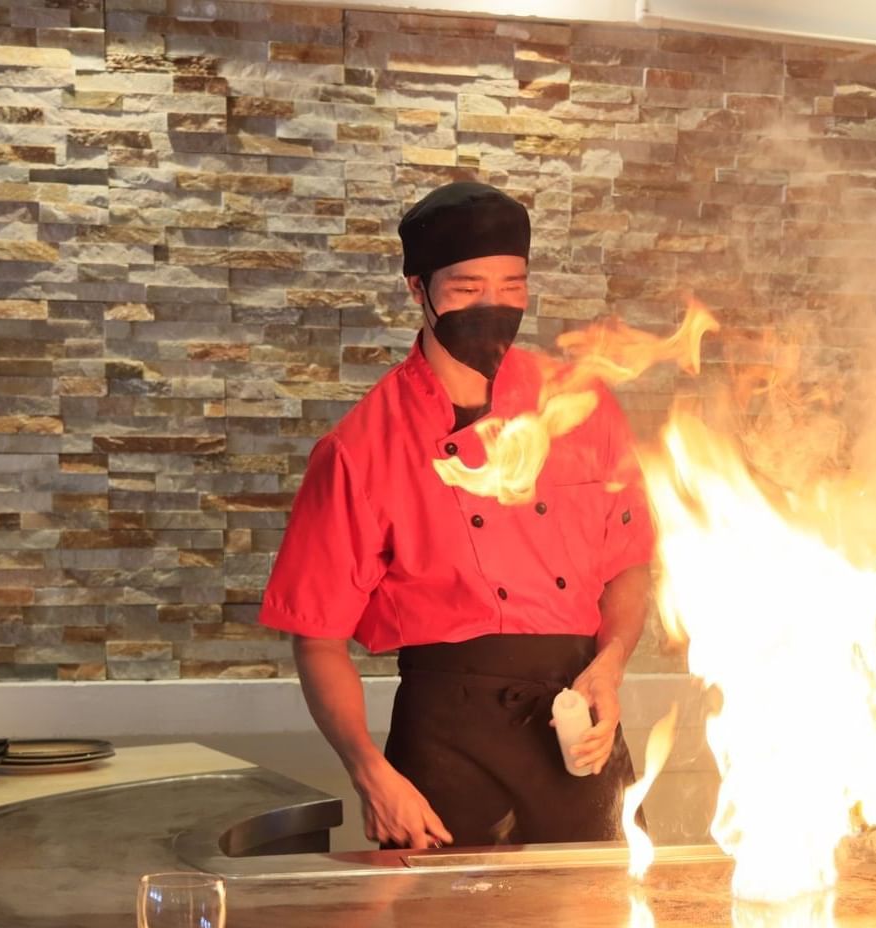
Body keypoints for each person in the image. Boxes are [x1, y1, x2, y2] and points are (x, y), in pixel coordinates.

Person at [258, 180, 653, 851]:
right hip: (447, 740)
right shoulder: (360, 449)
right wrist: (371, 775)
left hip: (578, 725)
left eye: (512, 285)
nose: (493, 305)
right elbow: (317, 637)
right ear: (418, 288)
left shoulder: (581, 409)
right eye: (467, 288)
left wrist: (608, 668)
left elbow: (628, 569)